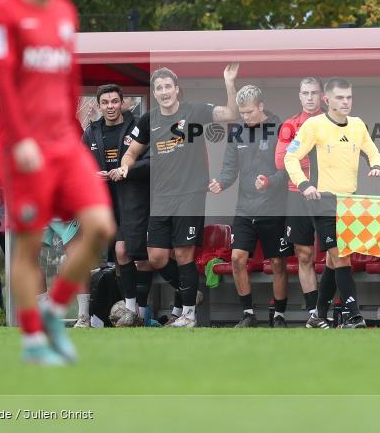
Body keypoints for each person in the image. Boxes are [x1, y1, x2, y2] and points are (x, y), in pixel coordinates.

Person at [0, 0, 116, 364]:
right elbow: (4, 78)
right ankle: (33, 340)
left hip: (64, 144)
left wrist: (73, 133)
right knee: (28, 247)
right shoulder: (3, 11)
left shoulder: (64, 11)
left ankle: (54, 313)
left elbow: (68, 76)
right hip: (23, 147)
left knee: (100, 226)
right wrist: (20, 139)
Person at [118, 64, 240, 328]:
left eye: (167, 87)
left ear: (176, 89)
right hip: (161, 197)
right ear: (154, 92)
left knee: (184, 254)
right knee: (156, 257)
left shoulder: (194, 111)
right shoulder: (148, 119)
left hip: (190, 194)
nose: (164, 92)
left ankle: (188, 315)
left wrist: (229, 83)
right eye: (159, 88)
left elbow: (231, 113)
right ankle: (190, 295)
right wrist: (125, 166)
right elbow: (131, 152)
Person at [284, 77, 380, 329]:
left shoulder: (358, 124)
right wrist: (304, 184)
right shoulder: (313, 125)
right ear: (327, 100)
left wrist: (376, 165)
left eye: (349, 97)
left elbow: (372, 150)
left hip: (349, 202)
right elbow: (290, 157)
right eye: (340, 97)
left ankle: (318, 315)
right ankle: (354, 316)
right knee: (341, 257)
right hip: (323, 201)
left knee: (333, 261)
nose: (345, 102)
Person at [209, 85, 290, 327]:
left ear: (261, 106)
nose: (245, 117)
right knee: (237, 258)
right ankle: (248, 315)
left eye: (249, 112)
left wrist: (269, 182)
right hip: (245, 209)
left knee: (277, 263)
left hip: (273, 209)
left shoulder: (280, 129)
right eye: (242, 113)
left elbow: (287, 170)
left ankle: (279, 316)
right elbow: (229, 169)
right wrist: (221, 183)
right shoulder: (237, 132)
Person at [83, 83, 151, 327]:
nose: (110, 106)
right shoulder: (91, 131)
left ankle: (143, 311)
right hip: (105, 203)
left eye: (114, 101)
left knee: (142, 257)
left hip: (135, 199)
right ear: (98, 105)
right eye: (105, 102)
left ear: (122, 103)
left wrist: (125, 172)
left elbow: (150, 161)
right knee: (120, 255)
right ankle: (131, 311)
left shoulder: (138, 126)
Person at [274, 76, 323, 318]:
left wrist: (299, 155)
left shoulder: (334, 122)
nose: (310, 97)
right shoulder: (290, 125)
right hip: (298, 194)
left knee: (336, 255)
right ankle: (314, 312)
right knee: (304, 255)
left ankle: (340, 311)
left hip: (328, 194)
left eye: (314, 92)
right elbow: (281, 161)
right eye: (305, 93)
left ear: (322, 95)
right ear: (300, 96)